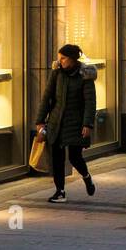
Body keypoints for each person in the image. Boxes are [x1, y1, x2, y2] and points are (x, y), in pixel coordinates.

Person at [35, 44, 97, 203]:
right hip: (56, 122)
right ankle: (60, 191)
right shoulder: (56, 74)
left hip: (76, 123)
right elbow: (47, 97)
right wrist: (40, 121)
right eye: (59, 57)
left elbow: (90, 102)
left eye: (63, 58)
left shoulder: (85, 76)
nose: (59, 61)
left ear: (73, 59)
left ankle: (86, 176)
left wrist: (87, 124)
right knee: (57, 158)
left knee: (75, 157)